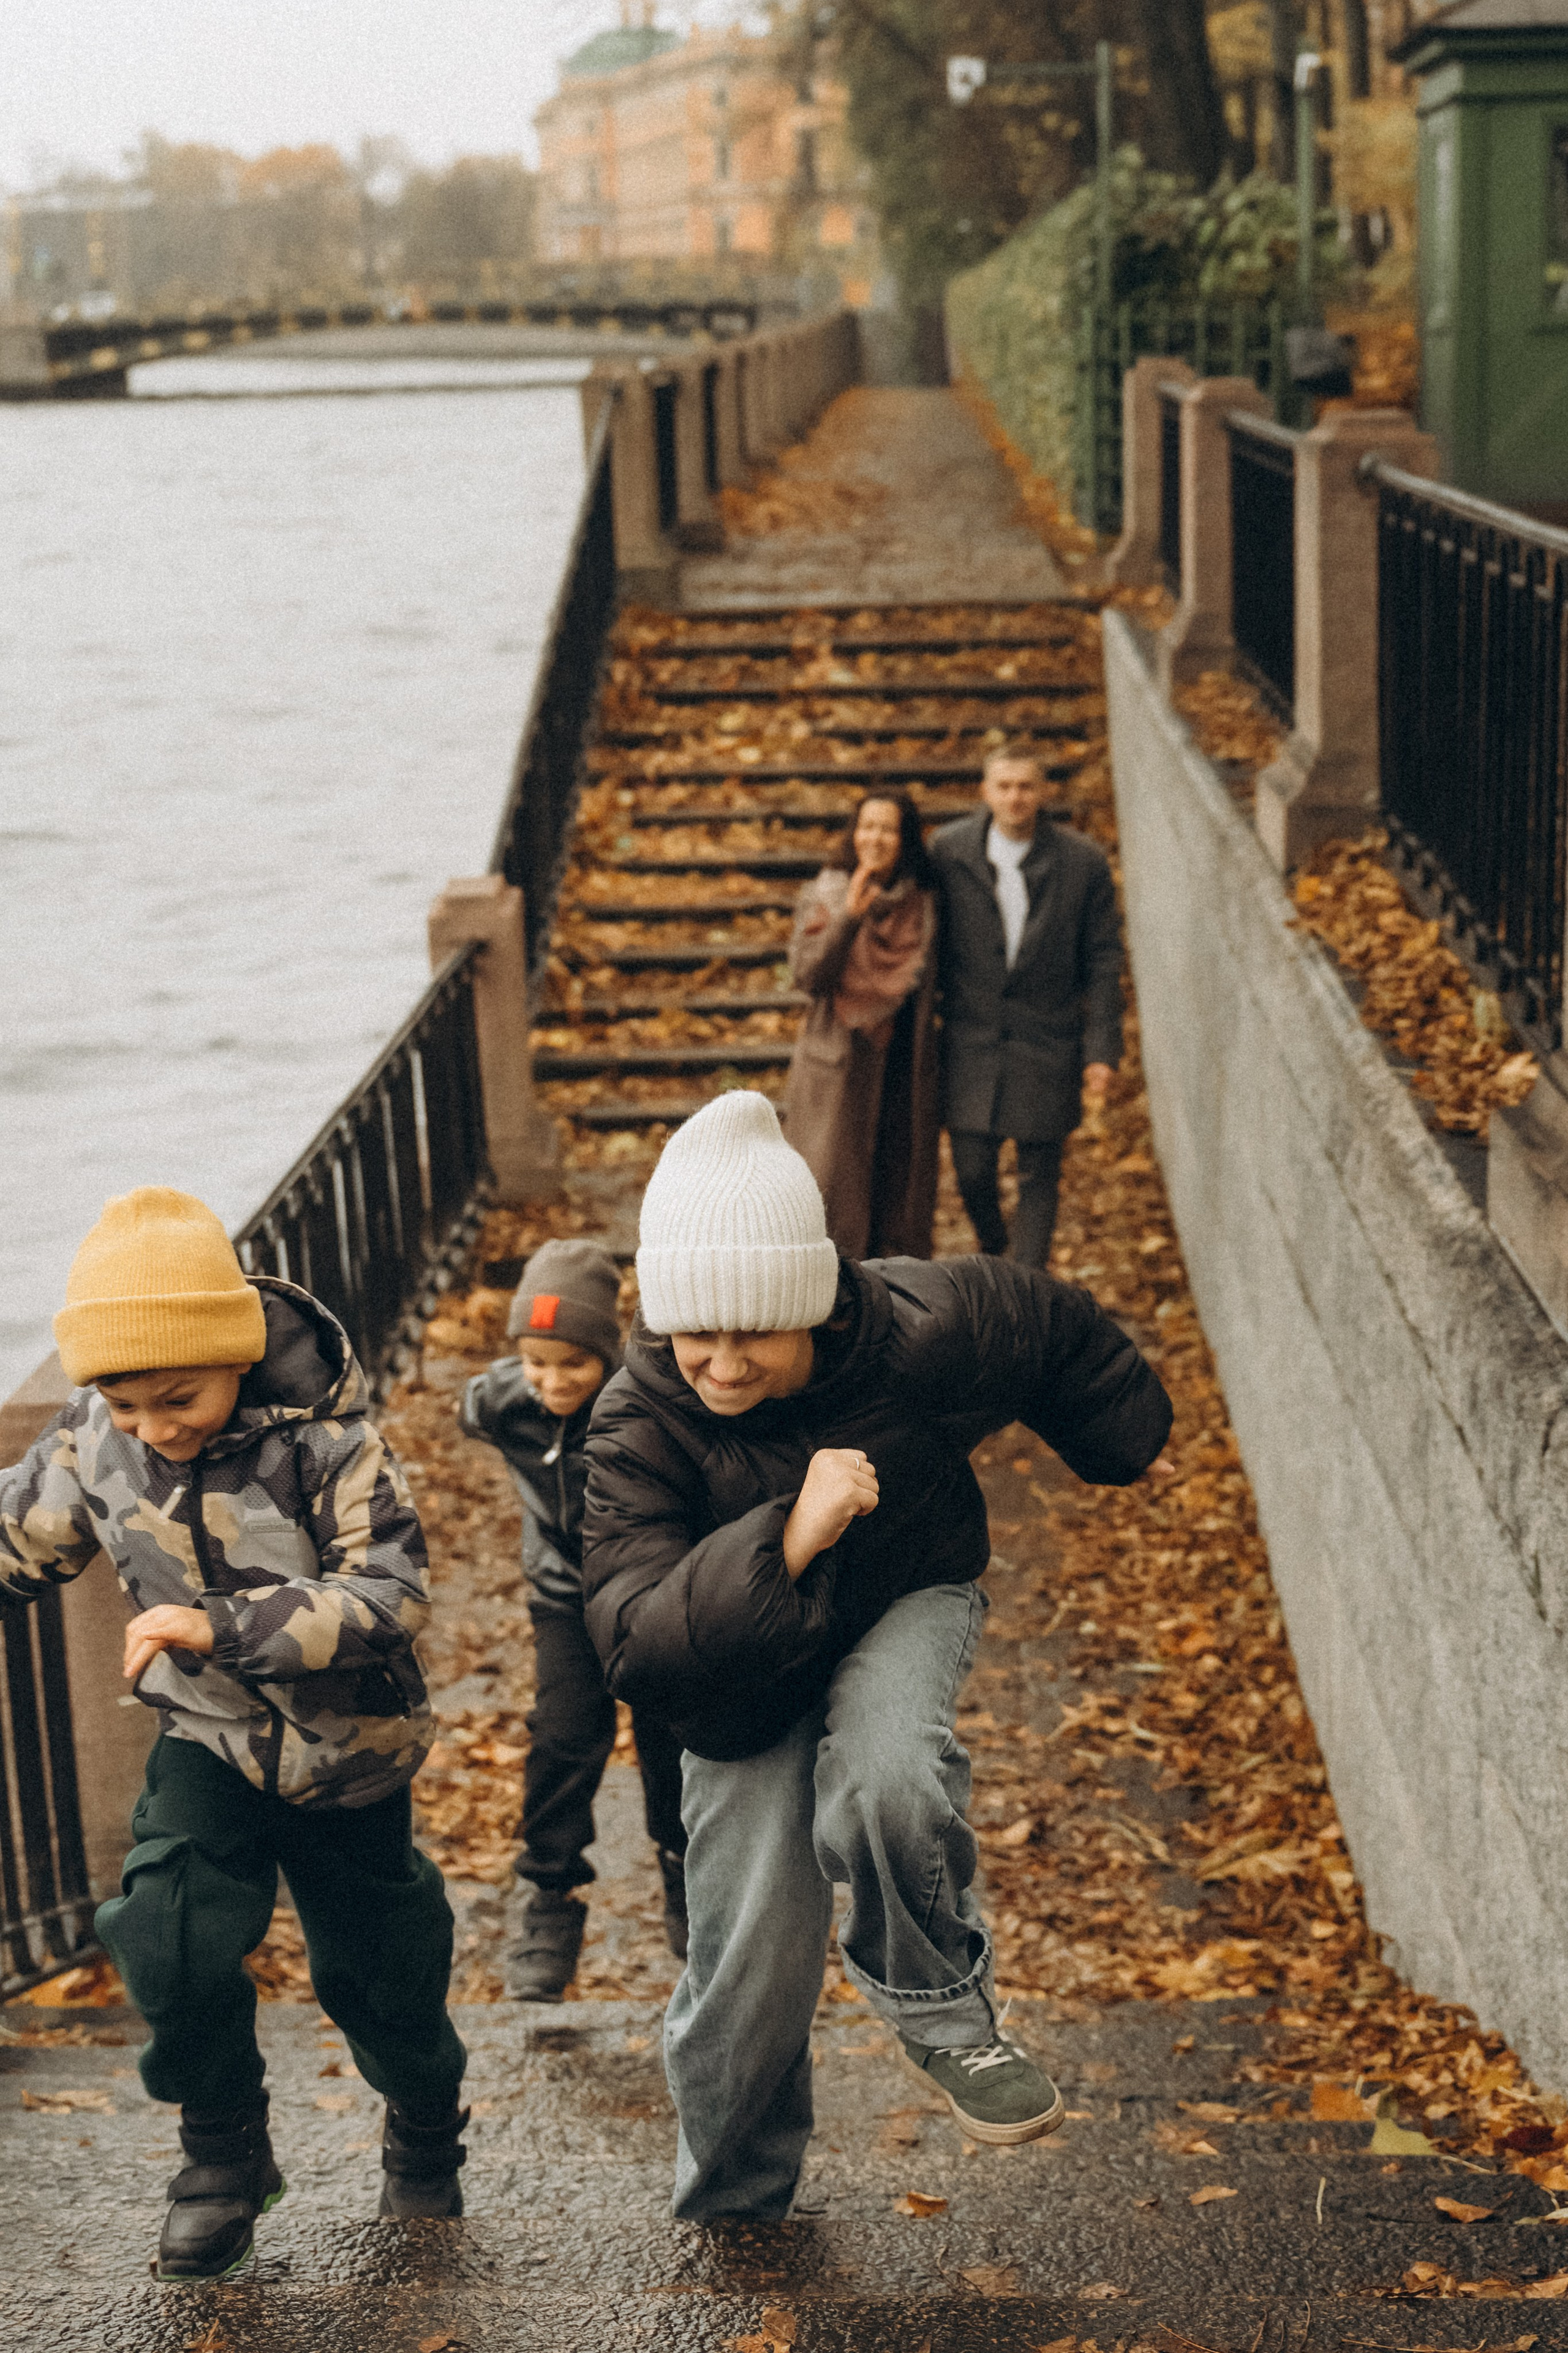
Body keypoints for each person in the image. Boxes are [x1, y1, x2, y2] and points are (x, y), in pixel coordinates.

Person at [580, 1090, 1171, 2221]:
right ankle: (732, 2205)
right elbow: (635, 1637)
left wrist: (1124, 1435)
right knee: (750, 1963)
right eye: (693, 1331)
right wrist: (786, 1537)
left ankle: (948, 2017)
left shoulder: (920, 1331)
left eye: (753, 1328)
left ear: (810, 1305)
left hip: (908, 1589)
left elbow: (1046, 1323)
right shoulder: (637, 1423)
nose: (721, 1361)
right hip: (738, 1681)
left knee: (887, 1772)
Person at [0, 1188, 467, 2281]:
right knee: (161, 1930)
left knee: (380, 1976)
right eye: (123, 1403)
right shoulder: (93, 1445)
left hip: (349, 1753)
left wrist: (217, 1624)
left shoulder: (332, 1448)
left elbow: (391, 1595)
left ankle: (426, 2120)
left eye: (178, 1396)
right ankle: (220, 2156)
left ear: (237, 1354)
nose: (154, 1427)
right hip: (206, 1746)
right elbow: (16, 1538)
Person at [459, 1239, 687, 2000]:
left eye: (573, 1364)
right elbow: (467, 1405)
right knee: (562, 1736)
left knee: (668, 1735)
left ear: (607, 1355)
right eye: (536, 1361)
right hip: (561, 1596)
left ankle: (686, 1872)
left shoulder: (647, 1405)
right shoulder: (500, 1402)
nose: (552, 1381)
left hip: (650, 1595)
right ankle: (550, 1897)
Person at [930, 742, 1124, 1266]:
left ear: (1044, 792)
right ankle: (996, 1246)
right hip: (971, 1039)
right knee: (972, 1168)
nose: (1016, 797)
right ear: (986, 791)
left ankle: (1026, 1282)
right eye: (1005, 786)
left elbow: (1104, 960)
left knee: (1040, 1172)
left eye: (1026, 786)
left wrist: (1101, 1050)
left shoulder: (1082, 863)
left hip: (1050, 1040)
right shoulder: (949, 852)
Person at [783, 790, 940, 1259]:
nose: (875, 838)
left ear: (905, 839)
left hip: (902, 1063)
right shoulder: (828, 892)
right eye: (867, 826)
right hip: (837, 1063)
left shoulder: (925, 901)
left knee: (897, 1197)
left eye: (888, 829)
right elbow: (808, 975)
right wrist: (849, 918)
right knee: (832, 1198)